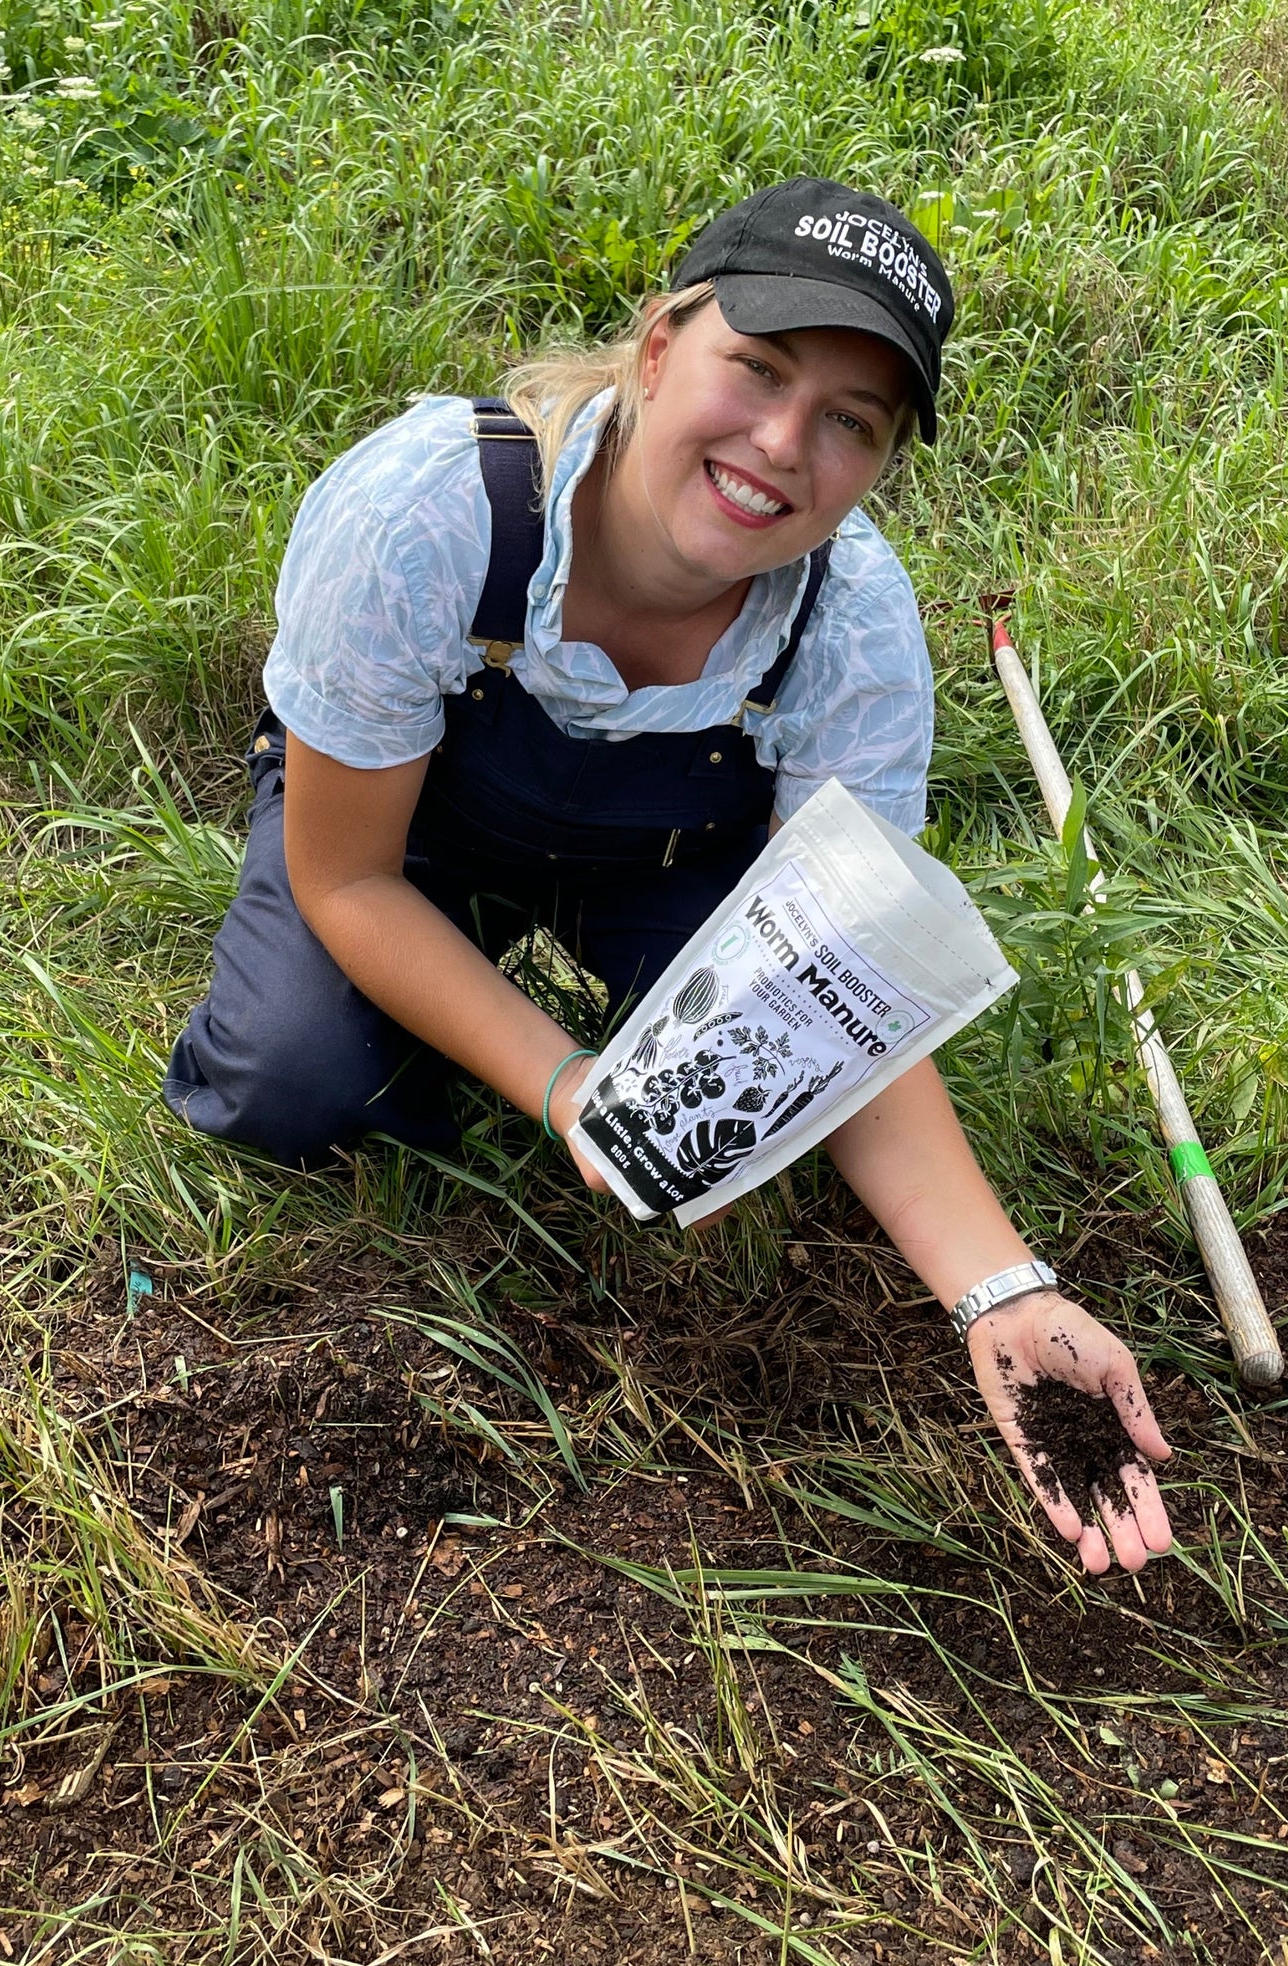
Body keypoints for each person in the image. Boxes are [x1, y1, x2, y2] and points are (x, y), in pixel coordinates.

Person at [165, 178, 1175, 1574]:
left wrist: (1001, 1290)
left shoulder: (852, 627)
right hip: (411, 835)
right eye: (757, 369)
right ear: (656, 349)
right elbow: (346, 880)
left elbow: (839, 992)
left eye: (850, 423)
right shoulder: (429, 515)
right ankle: (450, 1016)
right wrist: (565, 1081)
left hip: (676, 855)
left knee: (769, 1118)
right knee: (296, 1087)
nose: (781, 445)